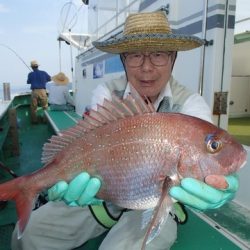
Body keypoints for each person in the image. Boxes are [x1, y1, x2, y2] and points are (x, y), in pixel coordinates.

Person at [12, 11, 239, 250]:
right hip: (99, 194)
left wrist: (221, 183)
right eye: (135, 55)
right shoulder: (107, 94)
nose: (146, 67)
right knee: (26, 235)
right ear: (123, 59)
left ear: (173, 58)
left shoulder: (191, 105)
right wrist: (57, 177)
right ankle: (30, 188)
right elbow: (86, 141)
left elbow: (205, 153)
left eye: (159, 55)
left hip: (160, 202)